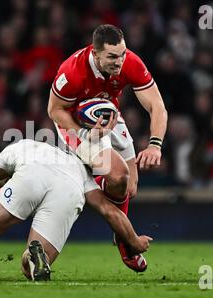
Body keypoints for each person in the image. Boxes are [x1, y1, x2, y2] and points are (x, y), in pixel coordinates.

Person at [0, 139, 152, 282]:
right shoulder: (84, 174)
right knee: (30, 269)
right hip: (70, 188)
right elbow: (111, 212)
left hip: (31, 171)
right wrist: (135, 242)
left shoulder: (24, 145)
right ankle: (35, 255)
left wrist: (11, 181)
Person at [48, 24, 168, 272]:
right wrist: (83, 134)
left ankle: (89, 186)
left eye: (122, 54)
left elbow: (157, 105)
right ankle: (126, 242)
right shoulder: (72, 72)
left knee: (129, 187)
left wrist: (155, 145)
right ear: (95, 53)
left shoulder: (130, 62)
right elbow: (54, 110)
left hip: (108, 115)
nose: (119, 61)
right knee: (117, 175)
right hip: (74, 124)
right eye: (112, 56)